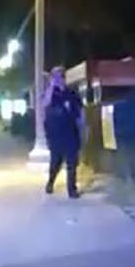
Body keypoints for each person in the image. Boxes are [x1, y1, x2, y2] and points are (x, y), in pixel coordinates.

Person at [43, 67, 84, 198]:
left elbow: (80, 111)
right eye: (56, 76)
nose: (59, 79)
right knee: (56, 162)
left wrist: (83, 127)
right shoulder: (51, 93)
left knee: (72, 163)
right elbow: (45, 103)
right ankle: (50, 182)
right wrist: (51, 86)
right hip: (55, 134)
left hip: (71, 133)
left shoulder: (71, 93)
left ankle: (71, 189)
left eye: (61, 76)